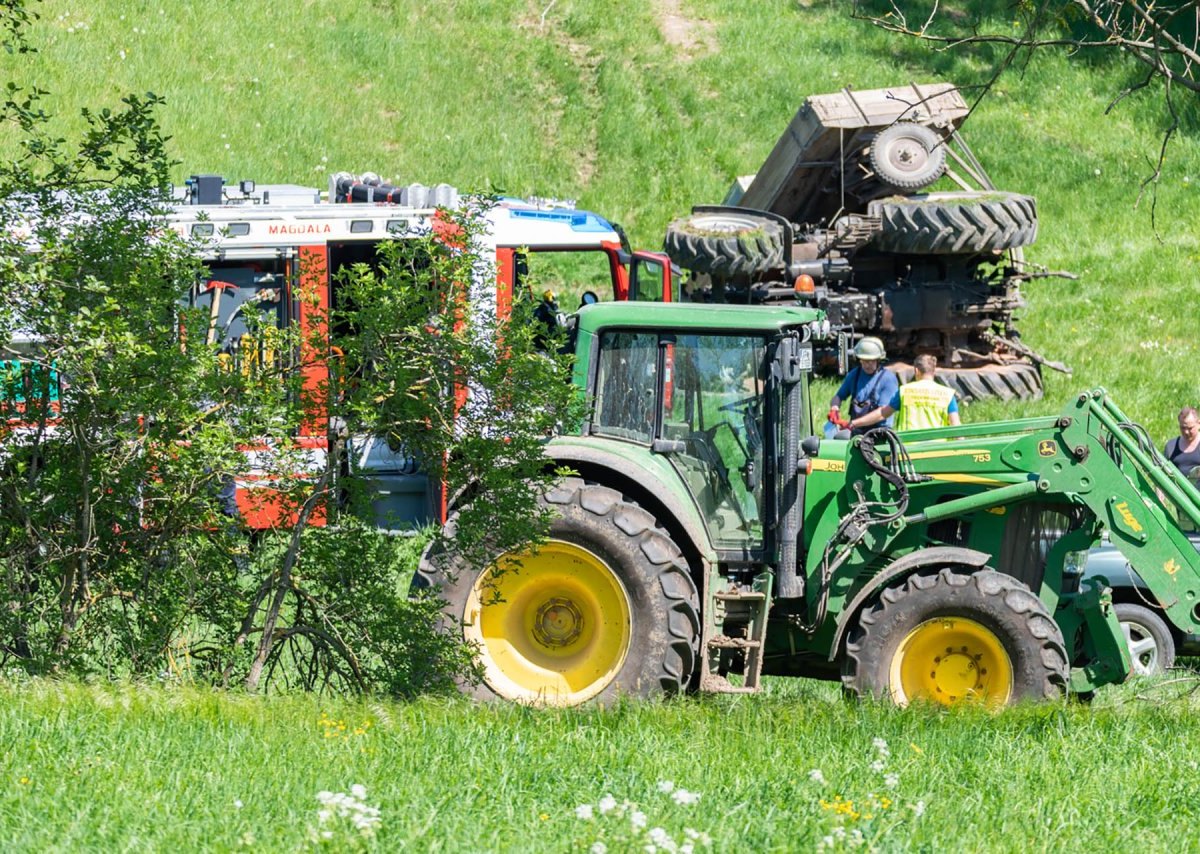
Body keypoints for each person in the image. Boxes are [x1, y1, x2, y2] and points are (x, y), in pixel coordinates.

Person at [850, 353, 960, 432]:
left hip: (909, 452)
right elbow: (956, 426)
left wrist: (854, 423)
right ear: (934, 371)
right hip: (936, 452)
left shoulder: (905, 391)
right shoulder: (947, 395)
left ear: (916, 370)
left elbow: (882, 414)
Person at [828, 337, 899, 436]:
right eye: (864, 361)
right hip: (857, 430)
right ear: (859, 359)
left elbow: (882, 413)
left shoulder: (888, 380)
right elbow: (839, 396)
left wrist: (853, 424)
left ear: (879, 360)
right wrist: (834, 407)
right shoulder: (854, 375)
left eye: (871, 361)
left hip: (879, 433)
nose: (867, 365)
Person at [1165, 406, 1200, 475]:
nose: (1186, 432)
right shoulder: (1171, 447)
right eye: (1183, 428)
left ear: (1199, 424)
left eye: (1190, 428)